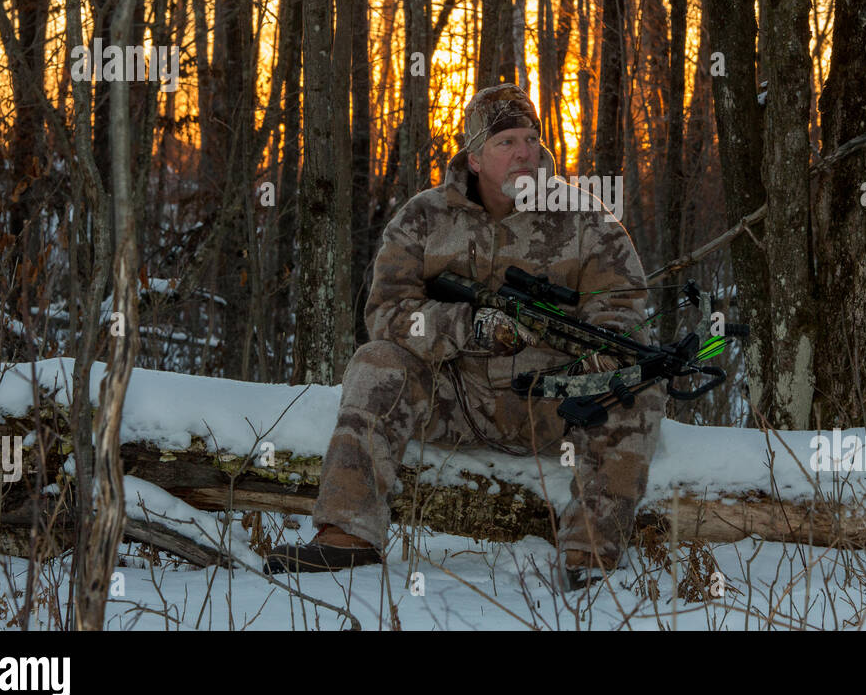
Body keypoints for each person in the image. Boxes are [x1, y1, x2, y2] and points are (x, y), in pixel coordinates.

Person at [265, 84, 665, 589]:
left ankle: (591, 558)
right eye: (505, 143)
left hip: (553, 403)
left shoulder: (587, 220)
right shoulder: (423, 217)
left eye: (530, 138)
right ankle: (347, 535)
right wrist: (466, 327)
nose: (524, 151)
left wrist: (587, 364)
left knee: (639, 387)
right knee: (376, 361)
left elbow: (623, 308)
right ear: (474, 158)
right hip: (454, 396)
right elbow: (387, 311)